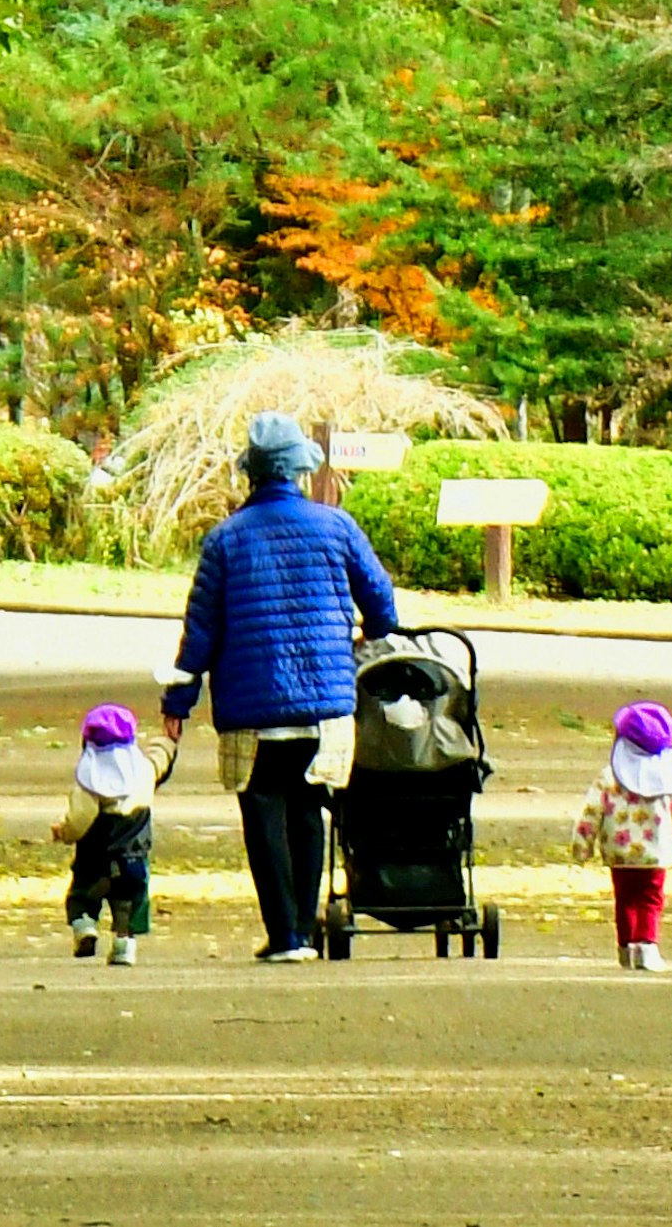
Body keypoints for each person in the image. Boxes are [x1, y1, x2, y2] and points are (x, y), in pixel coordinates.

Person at [161, 408, 405, 960]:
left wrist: (178, 702)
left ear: (252, 472)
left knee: (263, 811)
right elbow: (383, 607)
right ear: (297, 471)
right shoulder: (336, 526)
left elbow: (200, 633)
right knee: (308, 808)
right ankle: (305, 927)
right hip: (324, 704)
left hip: (251, 708)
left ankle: (285, 935)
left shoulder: (224, 541)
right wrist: (366, 636)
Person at [575, 698, 672, 969]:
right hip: (656, 852)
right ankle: (647, 945)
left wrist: (582, 846)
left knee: (625, 899)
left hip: (619, 853)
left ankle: (626, 946)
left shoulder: (608, 777)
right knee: (651, 899)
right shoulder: (671, 778)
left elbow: (591, 813)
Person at [57, 700, 157, 962]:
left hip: (95, 857)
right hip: (135, 855)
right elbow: (161, 763)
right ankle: (124, 946)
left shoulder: (90, 784)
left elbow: (80, 819)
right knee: (128, 902)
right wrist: (168, 743)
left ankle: (85, 926)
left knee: (83, 895)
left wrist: (65, 833)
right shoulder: (143, 772)